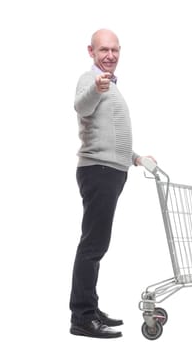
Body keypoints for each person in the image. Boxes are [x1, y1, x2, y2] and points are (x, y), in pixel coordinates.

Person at [69, 28, 156, 339]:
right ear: (91, 52)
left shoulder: (111, 84)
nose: (110, 56)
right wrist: (96, 87)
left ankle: (90, 309)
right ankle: (82, 316)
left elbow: (109, 135)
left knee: (97, 244)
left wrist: (134, 157)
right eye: (103, 50)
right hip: (99, 171)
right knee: (93, 245)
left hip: (112, 170)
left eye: (114, 50)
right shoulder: (90, 79)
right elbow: (81, 106)